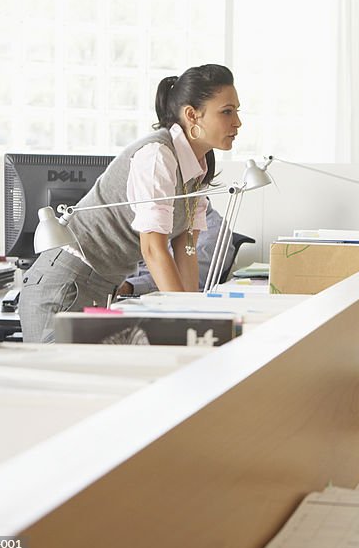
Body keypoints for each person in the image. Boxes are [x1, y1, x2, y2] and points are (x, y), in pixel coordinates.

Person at [19, 63, 242, 342]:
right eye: (226, 111)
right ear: (192, 115)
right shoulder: (157, 156)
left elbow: (186, 248)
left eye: (237, 111)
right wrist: (186, 321)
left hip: (99, 284)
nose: (237, 123)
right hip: (64, 283)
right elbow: (153, 249)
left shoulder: (197, 166)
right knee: (57, 381)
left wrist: (195, 315)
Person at [118, 202, 235, 296]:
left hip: (155, 300)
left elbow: (184, 278)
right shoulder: (161, 220)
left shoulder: (213, 232)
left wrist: (130, 286)